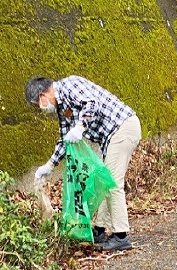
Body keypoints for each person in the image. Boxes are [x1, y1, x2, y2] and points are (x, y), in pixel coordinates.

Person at [25, 75, 141, 250]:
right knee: (102, 181)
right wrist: (50, 165)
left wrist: (80, 127)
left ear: (42, 95)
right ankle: (100, 230)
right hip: (112, 137)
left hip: (123, 127)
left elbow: (91, 103)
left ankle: (121, 236)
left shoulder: (70, 85)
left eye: (38, 105)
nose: (41, 109)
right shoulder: (63, 108)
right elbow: (66, 139)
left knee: (112, 183)